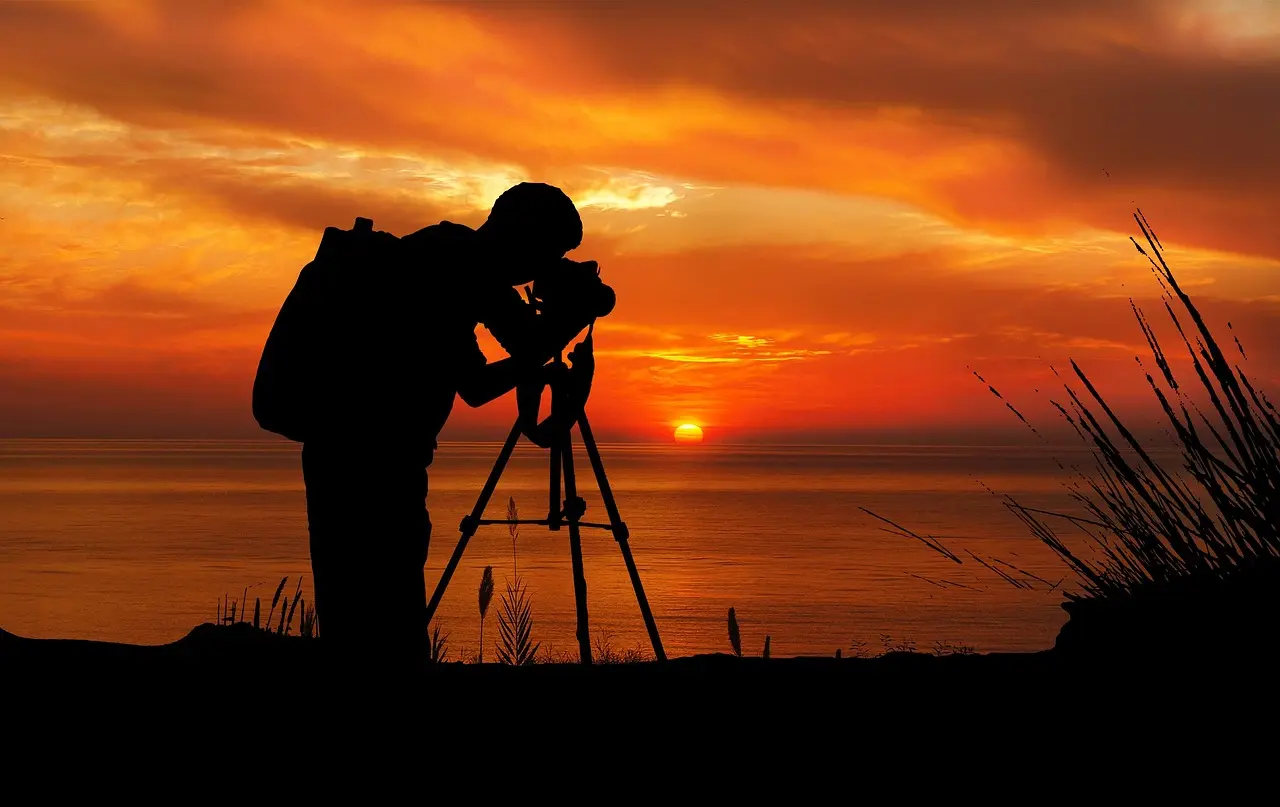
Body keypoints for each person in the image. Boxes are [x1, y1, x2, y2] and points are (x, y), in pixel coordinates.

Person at [253, 182, 592, 670]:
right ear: (523, 235)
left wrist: (543, 350)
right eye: (548, 253)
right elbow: (515, 350)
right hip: (377, 462)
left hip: (343, 450)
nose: (541, 270)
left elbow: (475, 382)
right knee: (386, 618)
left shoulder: (443, 259)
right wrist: (570, 319)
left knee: (350, 612)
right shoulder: (461, 265)